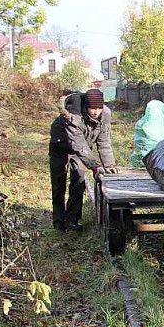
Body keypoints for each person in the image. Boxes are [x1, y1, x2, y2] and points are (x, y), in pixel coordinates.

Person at [48, 88, 117, 232]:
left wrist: (109, 164)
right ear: (86, 106)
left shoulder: (105, 115)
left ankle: (72, 220)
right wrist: (94, 166)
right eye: (92, 108)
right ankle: (58, 221)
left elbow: (104, 141)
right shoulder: (73, 115)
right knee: (58, 183)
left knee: (78, 181)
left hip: (83, 147)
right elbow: (77, 143)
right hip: (61, 144)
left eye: (99, 108)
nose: (95, 112)